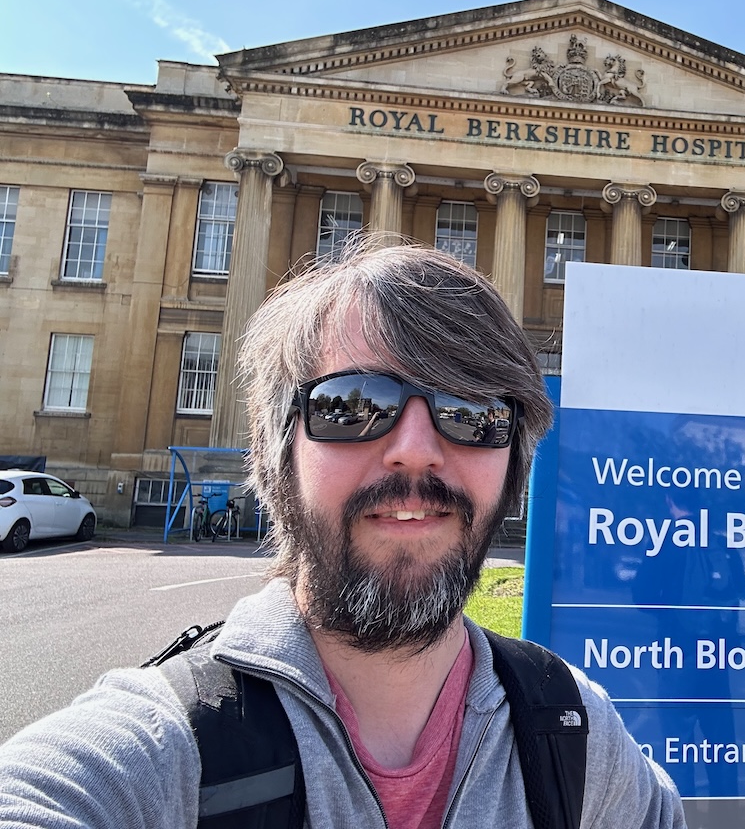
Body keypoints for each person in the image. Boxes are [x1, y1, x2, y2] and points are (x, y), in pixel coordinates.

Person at [0, 240, 685, 829]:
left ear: (513, 467)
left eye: (471, 411)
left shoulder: (575, 733)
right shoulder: (157, 753)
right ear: (277, 449)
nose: (416, 450)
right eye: (351, 405)